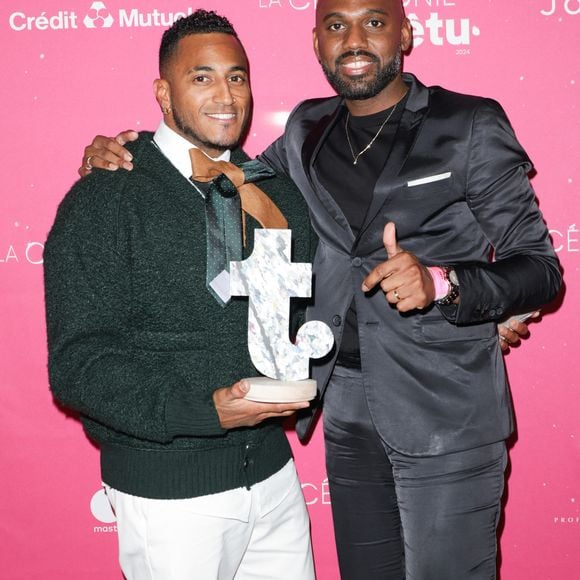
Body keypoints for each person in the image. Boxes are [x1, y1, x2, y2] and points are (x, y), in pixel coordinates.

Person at [77, 1, 561, 578]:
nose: (354, 39)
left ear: (405, 33)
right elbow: (226, 180)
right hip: (346, 406)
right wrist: (129, 156)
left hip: (446, 410)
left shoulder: (470, 124)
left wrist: (445, 283)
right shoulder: (306, 128)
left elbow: (540, 267)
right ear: (317, 43)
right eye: (337, 26)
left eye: (374, 22)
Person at [44, 10, 317, 580]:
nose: (225, 94)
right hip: (171, 495)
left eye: (237, 77)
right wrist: (205, 411)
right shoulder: (106, 199)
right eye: (202, 77)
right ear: (163, 93)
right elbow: (79, 364)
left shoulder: (279, 196)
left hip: (275, 480)